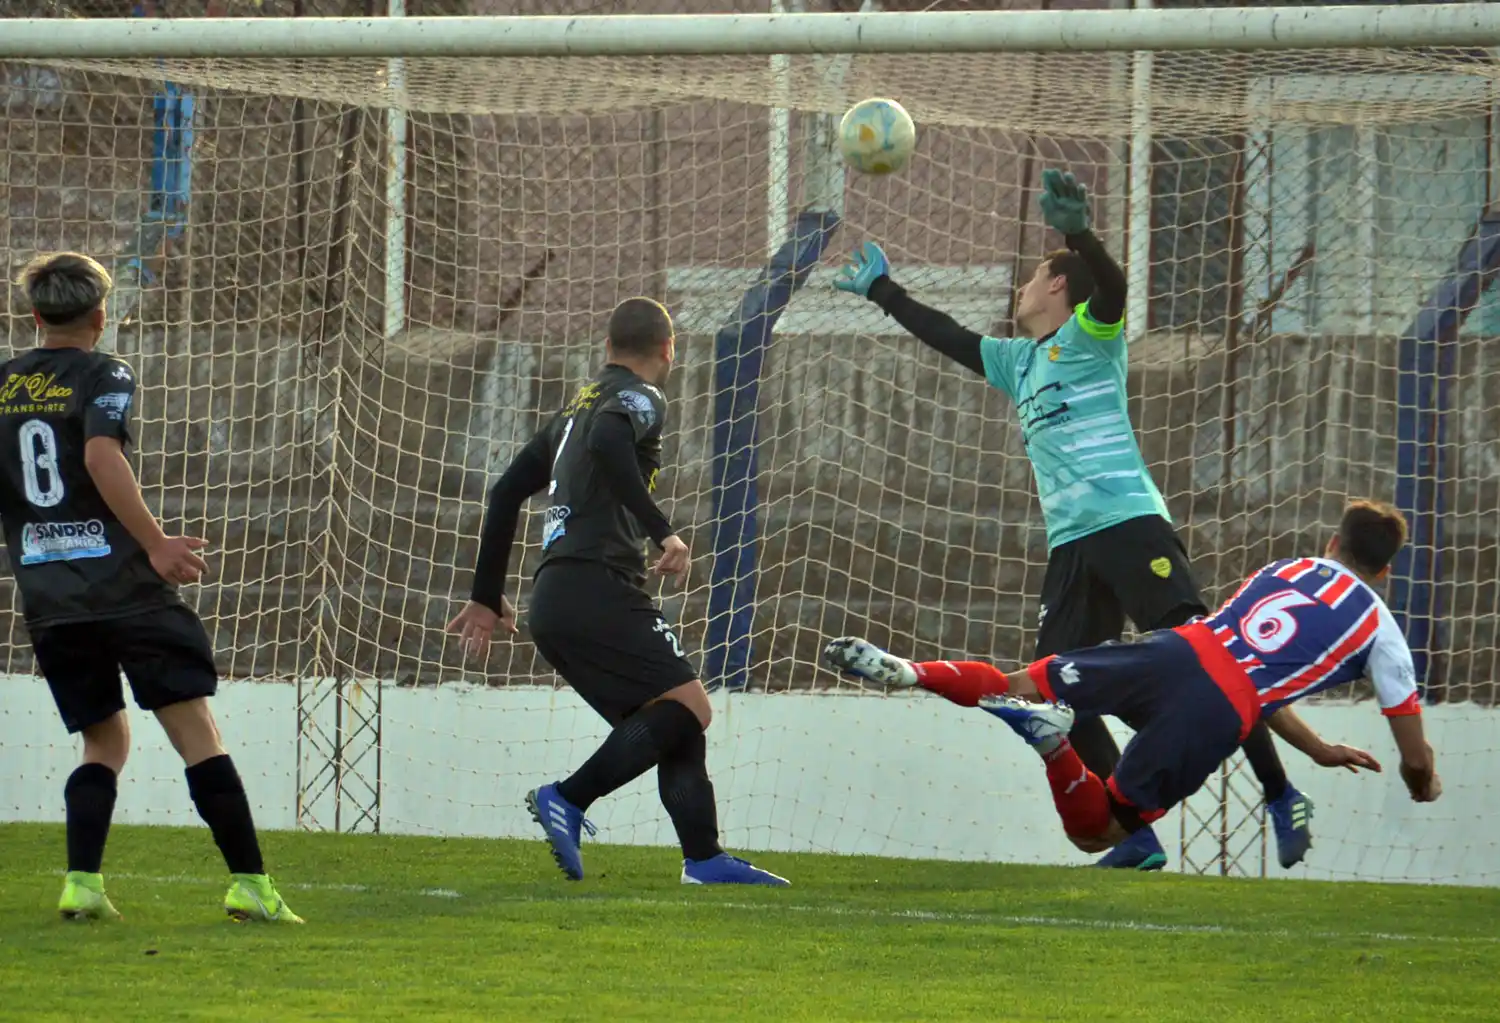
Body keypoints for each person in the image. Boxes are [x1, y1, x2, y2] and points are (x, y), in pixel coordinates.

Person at [832, 167, 1308, 870]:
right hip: (1073, 546)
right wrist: (883, 291)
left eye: (1032, 275)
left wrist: (1078, 233)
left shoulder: (1091, 335)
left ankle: (1280, 792)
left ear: (1058, 285)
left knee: (1206, 659)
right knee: (1059, 686)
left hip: (1129, 524)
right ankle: (1135, 835)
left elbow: (1113, 289)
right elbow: (946, 334)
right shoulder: (1016, 361)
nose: (1020, 287)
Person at [824, 500, 1439, 857]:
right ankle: (1054, 744)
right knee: (1100, 831)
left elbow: (1241, 660)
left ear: (1333, 542)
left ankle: (911, 671)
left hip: (1175, 651)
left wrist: (1317, 748)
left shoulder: (1289, 567)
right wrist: (1424, 783)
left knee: (1016, 682)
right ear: (1385, 572)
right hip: (1219, 708)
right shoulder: (1381, 630)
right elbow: (1411, 754)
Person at [447, 297, 787, 886]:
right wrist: (663, 532)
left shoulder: (572, 411)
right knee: (689, 709)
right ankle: (568, 798)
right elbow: (610, 441)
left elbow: (504, 493)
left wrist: (485, 591)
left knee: (667, 717)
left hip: (555, 596)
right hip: (598, 584)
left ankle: (704, 859)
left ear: (606, 347)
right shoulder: (641, 397)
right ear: (668, 349)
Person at [7, 253, 300, 922]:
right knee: (197, 732)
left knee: (103, 742)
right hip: (126, 589)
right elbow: (100, 455)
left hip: (51, 598)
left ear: (33, 316)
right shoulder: (105, 371)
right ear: (100, 317)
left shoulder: (3, 383)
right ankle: (251, 885)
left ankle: (82, 881)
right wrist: (156, 543)